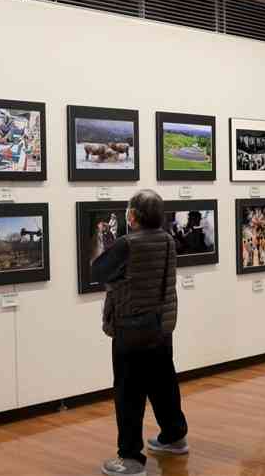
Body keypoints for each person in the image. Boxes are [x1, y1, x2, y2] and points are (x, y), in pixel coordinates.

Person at [92, 189, 188, 476]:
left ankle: (131, 458)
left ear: (132, 216)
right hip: (161, 326)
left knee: (128, 393)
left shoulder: (126, 244)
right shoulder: (168, 240)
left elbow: (99, 271)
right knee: (163, 384)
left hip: (131, 328)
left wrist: (105, 239)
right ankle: (174, 436)